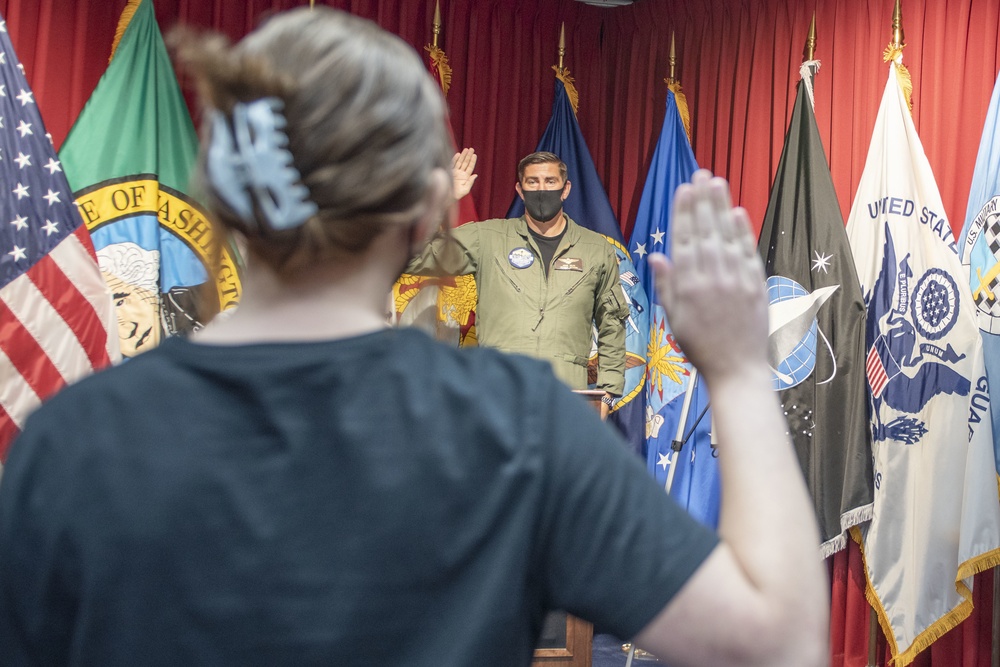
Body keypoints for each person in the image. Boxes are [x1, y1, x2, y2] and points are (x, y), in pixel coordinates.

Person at [0, 8, 828, 667]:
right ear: (434, 202)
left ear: (214, 188)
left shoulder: (70, 439)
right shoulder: (520, 431)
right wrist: (739, 370)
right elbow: (777, 642)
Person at [408, 149, 628, 417]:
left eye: (550, 182)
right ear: (520, 190)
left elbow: (612, 322)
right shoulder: (487, 238)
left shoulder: (595, 249)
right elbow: (413, 259)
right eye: (532, 182)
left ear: (565, 188)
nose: (541, 189)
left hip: (564, 397)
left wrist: (608, 392)